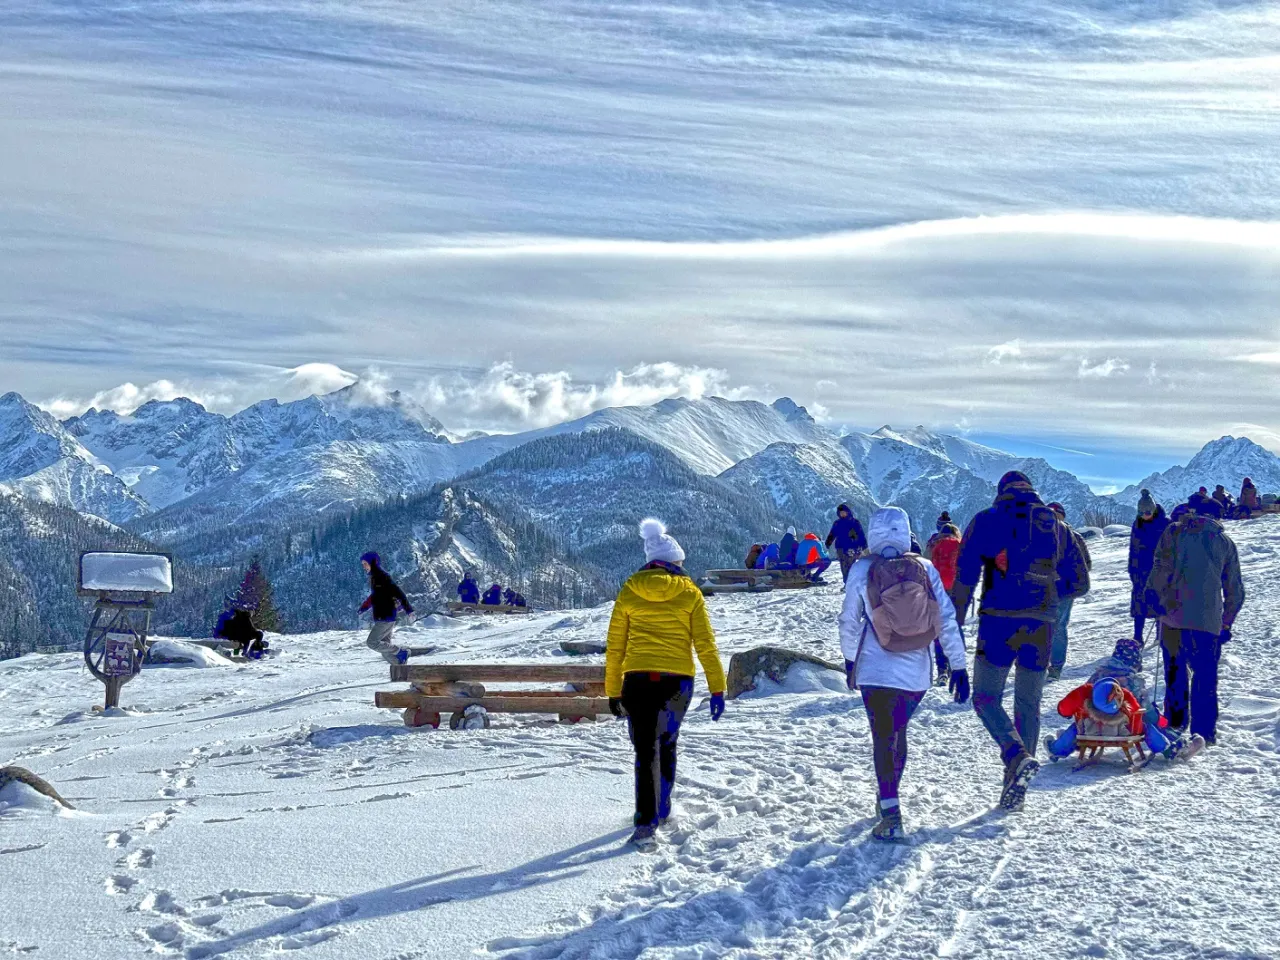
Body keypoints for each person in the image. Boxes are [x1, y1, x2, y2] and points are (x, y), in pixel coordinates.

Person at [951, 471, 1090, 811]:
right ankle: (1015, 786)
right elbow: (1081, 582)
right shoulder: (1059, 527)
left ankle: (1015, 756)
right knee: (1027, 705)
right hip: (1042, 625)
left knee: (985, 698)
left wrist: (952, 624)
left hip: (998, 622)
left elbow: (965, 575)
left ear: (1002, 491)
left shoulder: (986, 519)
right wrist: (1048, 595)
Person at [838, 507, 969, 841]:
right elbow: (946, 619)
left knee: (882, 736)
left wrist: (850, 660)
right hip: (916, 672)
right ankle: (888, 798)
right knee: (899, 732)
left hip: (875, 668)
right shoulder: (924, 567)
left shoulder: (862, 568)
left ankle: (890, 808)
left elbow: (849, 621)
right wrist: (958, 665)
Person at [606, 519, 726, 851]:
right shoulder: (689, 592)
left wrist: (612, 690)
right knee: (668, 741)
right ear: (675, 562)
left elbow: (616, 645)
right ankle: (662, 807)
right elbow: (706, 644)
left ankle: (645, 823)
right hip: (678, 682)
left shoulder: (630, 589)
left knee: (645, 750)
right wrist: (717, 688)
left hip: (637, 679)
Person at [1147, 497, 1245, 745]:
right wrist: (1226, 623)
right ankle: (1204, 733)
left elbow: (1161, 567)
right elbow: (1234, 588)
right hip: (1208, 622)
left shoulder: (1175, 532)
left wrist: (1154, 596)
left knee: (1175, 673)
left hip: (1172, 617)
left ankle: (1175, 725)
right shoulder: (1225, 542)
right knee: (1205, 677)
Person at [1043, 678, 1177, 762]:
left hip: (1088, 733)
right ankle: (1166, 748)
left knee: (1076, 728)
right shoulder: (1125, 694)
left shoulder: (1084, 692)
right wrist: (1135, 731)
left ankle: (1057, 750)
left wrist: (1068, 712)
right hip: (1121, 734)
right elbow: (1136, 712)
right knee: (1145, 727)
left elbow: (1063, 709)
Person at [1046, 502, 1092, 681]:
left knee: (1056, 626)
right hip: (1056, 589)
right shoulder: (1072, 536)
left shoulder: (1072, 536)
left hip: (1063, 589)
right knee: (1053, 626)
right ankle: (1049, 664)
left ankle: (1055, 666)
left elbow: (1085, 564)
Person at [1128, 491, 1170, 645]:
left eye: (1147, 512)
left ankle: (1160, 633)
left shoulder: (1165, 524)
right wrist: (1132, 571)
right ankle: (1137, 635)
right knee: (1139, 603)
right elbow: (1133, 549)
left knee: (1159, 601)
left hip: (1159, 569)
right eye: (1141, 512)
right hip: (1140, 570)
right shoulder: (1137, 524)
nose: (1144, 515)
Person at [359, 552, 414, 664]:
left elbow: (398, 592)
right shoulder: (375, 577)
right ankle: (400, 667)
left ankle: (401, 651)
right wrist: (365, 606)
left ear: (372, 563)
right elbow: (375, 596)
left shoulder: (382, 577)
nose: (363, 567)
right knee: (386, 650)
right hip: (384, 616)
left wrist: (409, 609)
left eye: (365, 564)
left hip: (386, 616)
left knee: (372, 642)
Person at [929, 523, 963, 683]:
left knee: (939, 628)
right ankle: (956, 665)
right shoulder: (959, 545)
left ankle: (942, 669)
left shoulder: (934, 545)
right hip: (956, 590)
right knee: (955, 626)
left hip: (937, 590)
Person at [825, 503, 868, 583]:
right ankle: (846, 583)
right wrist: (828, 542)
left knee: (851, 566)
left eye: (844, 512)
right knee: (843, 567)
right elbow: (832, 534)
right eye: (840, 512)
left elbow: (861, 534)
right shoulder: (837, 523)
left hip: (853, 547)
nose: (842, 514)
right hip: (840, 548)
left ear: (848, 512)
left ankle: (851, 583)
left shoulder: (855, 522)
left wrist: (864, 545)